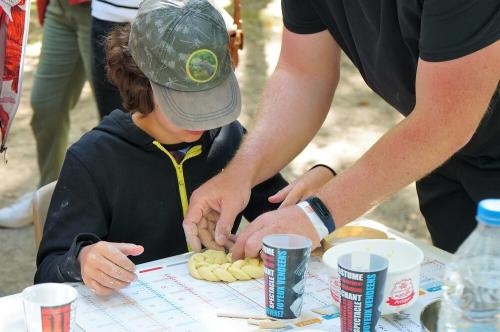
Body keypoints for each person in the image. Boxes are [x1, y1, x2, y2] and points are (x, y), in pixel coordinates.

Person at [183, 1, 500, 259]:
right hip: (447, 157)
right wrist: (240, 175)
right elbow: (303, 74)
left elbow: (445, 121)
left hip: (453, 135)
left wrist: (315, 216)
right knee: (469, 302)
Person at [35, 0, 289, 295]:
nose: (201, 116)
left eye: (211, 98)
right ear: (141, 81)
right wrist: (82, 259)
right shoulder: (94, 159)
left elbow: (285, 217)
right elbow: (48, 273)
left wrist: (309, 195)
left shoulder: (229, 138)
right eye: (184, 102)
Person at [0, 0, 94, 228]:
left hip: (104, 11)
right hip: (58, 7)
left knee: (120, 112)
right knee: (46, 106)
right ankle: (49, 197)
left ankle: (118, 209)